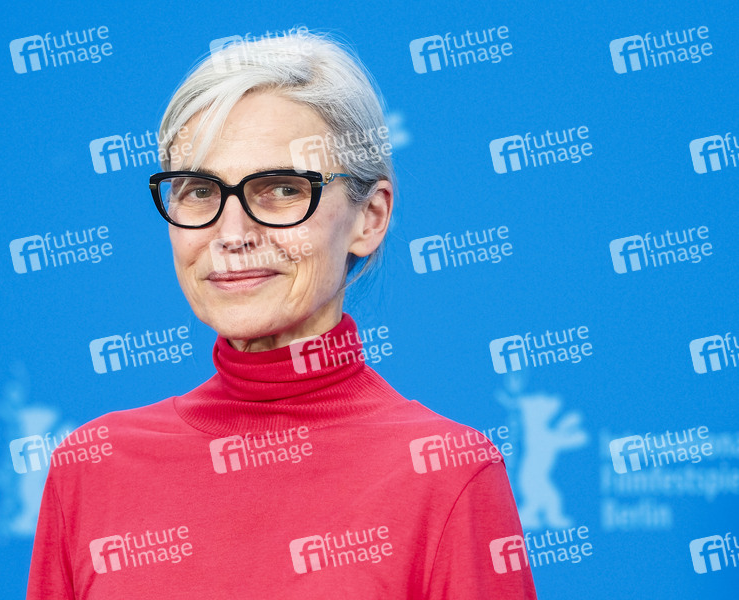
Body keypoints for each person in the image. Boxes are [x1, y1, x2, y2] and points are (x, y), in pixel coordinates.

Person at [27, 31, 537, 599]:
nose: (232, 234)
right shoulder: (92, 469)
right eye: (199, 191)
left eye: (281, 189)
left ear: (370, 217)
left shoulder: (447, 475)